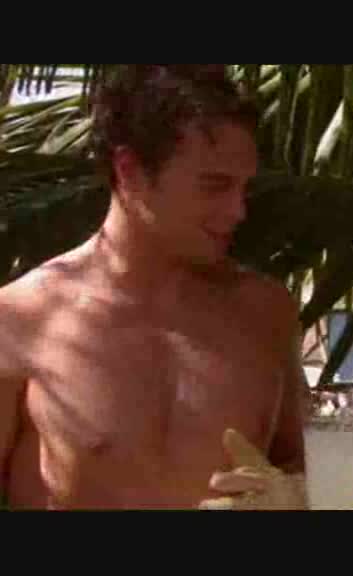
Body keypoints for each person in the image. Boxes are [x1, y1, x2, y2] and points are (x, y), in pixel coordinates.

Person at [0, 65, 306, 509]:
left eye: (244, 188)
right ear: (130, 171)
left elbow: (304, 465)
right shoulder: (22, 319)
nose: (238, 210)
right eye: (215, 186)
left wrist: (297, 494)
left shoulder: (266, 313)